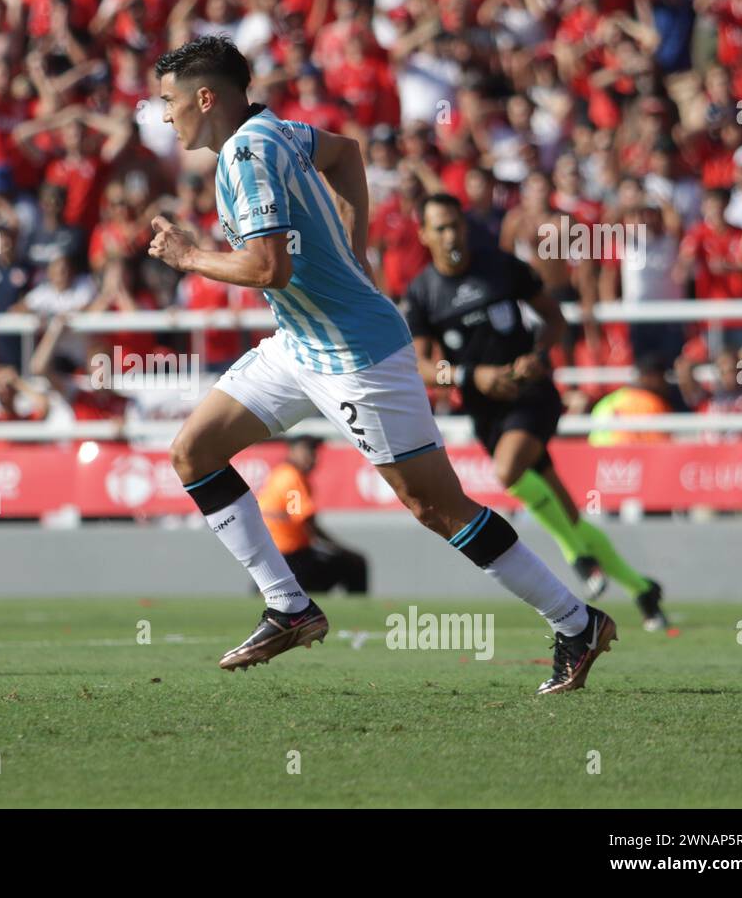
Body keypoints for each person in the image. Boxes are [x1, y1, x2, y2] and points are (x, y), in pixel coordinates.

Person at [148, 36, 615, 693]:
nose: (164, 116)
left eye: (169, 101)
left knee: (437, 508)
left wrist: (189, 258)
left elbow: (267, 267)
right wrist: (355, 242)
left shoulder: (246, 156)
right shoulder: (274, 131)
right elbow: (347, 153)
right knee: (194, 452)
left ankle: (576, 622)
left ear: (205, 97)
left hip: (356, 354)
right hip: (299, 343)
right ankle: (289, 606)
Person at [405, 193, 669, 633]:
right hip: (485, 409)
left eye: (456, 225)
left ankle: (575, 555)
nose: (451, 234)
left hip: (531, 395)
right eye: (441, 228)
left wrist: (537, 354)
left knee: (508, 471)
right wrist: (473, 377)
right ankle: (641, 587)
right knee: (563, 508)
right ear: (424, 235)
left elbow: (555, 321)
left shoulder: (502, 267)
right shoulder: (423, 293)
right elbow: (421, 367)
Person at [256, 435, 369, 595]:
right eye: (308, 451)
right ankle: (358, 614)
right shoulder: (292, 478)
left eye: (315, 452)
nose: (314, 458)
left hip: (273, 557)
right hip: (291, 559)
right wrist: (339, 548)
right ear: (293, 451)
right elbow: (302, 520)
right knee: (355, 564)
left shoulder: (280, 474)